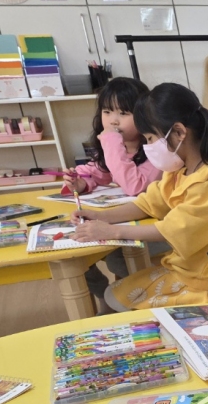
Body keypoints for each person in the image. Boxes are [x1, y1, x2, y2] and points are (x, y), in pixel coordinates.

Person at [71, 82, 208, 311]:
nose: (149, 146)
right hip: (187, 269)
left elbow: (171, 230)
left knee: (119, 297)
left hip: (207, 277)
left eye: (151, 138)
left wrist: (113, 231)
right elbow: (148, 203)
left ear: (179, 132)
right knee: (115, 294)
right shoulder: (178, 171)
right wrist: (100, 216)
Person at [63, 77, 164, 311]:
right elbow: (98, 172)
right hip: (123, 219)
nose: (113, 120)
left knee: (117, 258)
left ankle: (124, 300)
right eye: (107, 112)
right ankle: (104, 295)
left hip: (153, 227)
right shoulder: (116, 147)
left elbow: (134, 186)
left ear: (143, 114)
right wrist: (80, 183)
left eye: (123, 113)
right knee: (75, 250)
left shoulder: (154, 148)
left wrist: (111, 141)